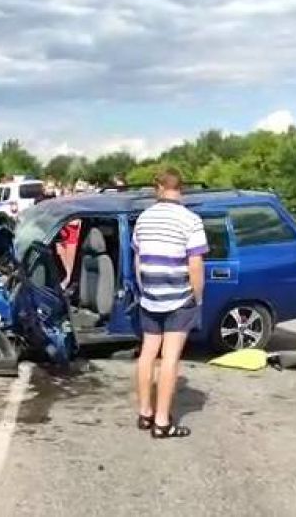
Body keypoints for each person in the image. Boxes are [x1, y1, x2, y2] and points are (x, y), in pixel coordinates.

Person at [133, 168, 208, 439]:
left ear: (158, 189)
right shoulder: (191, 220)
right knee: (170, 357)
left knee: (147, 352)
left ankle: (144, 413)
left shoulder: (142, 219)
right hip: (179, 298)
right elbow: (196, 265)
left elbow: (138, 261)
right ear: (181, 189)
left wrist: (144, 290)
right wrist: (197, 297)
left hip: (150, 296)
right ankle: (163, 422)